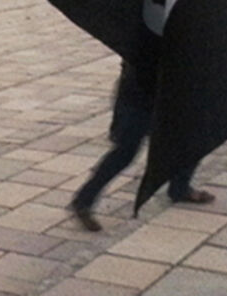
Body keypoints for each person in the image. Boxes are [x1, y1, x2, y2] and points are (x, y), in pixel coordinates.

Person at [70, 59, 214, 231]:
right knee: (125, 152)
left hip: (164, 91)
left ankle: (180, 187)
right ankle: (84, 199)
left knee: (190, 137)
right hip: (141, 94)